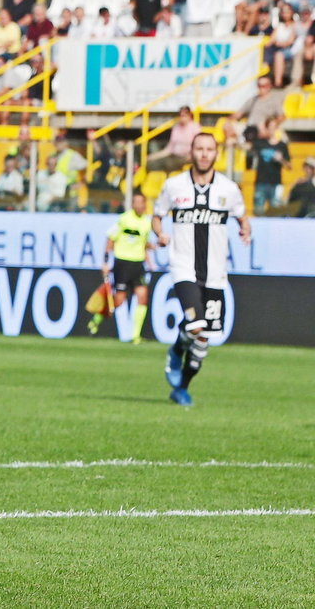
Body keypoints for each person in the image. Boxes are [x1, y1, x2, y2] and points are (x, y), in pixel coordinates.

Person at [152, 132, 251, 406]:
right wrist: (159, 234)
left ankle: (181, 388)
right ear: (191, 153)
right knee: (196, 326)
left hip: (216, 274)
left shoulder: (229, 189)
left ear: (216, 153)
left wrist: (245, 229)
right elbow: (157, 217)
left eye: (209, 149)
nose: (204, 154)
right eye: (199, 148)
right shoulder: (174, 186)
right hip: (183, 267)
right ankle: (175, 350)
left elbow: (243, 216)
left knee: (203, 340)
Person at [88, 192, 157, 342]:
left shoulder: (146, 223)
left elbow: (144, 244)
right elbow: (111, 239)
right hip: (122, 263)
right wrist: (105, 261)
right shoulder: (124, 219)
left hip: (138, 265)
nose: (139, 205)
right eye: (136, 202)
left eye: (141, 203)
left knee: (142, 297)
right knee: (118, 300)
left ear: (145, 205)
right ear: (133, 204)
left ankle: (136, 336)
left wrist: (151, 257)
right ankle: (96, 319)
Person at [248, 115, 288, 212]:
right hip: (261, 182)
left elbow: (289, 165)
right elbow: (247, 147)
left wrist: (280, 159)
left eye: (274, 127)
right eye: (270, 127)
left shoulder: (282, 145)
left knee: (275, 212)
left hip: (276, 182)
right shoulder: (260, 143)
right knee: (258, 211)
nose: (272, 130)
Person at [147, 106, 201, 173]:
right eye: (180, 115)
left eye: (184, 115)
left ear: (189, 116)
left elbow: (199, 144)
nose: (182, 117)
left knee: (168, 163)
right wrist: (153, 156)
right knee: (151, 163)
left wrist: (191, 155)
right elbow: (169, 149)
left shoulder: (194, 127)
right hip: (174, 156)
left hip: (187, 157)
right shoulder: (176, 128)